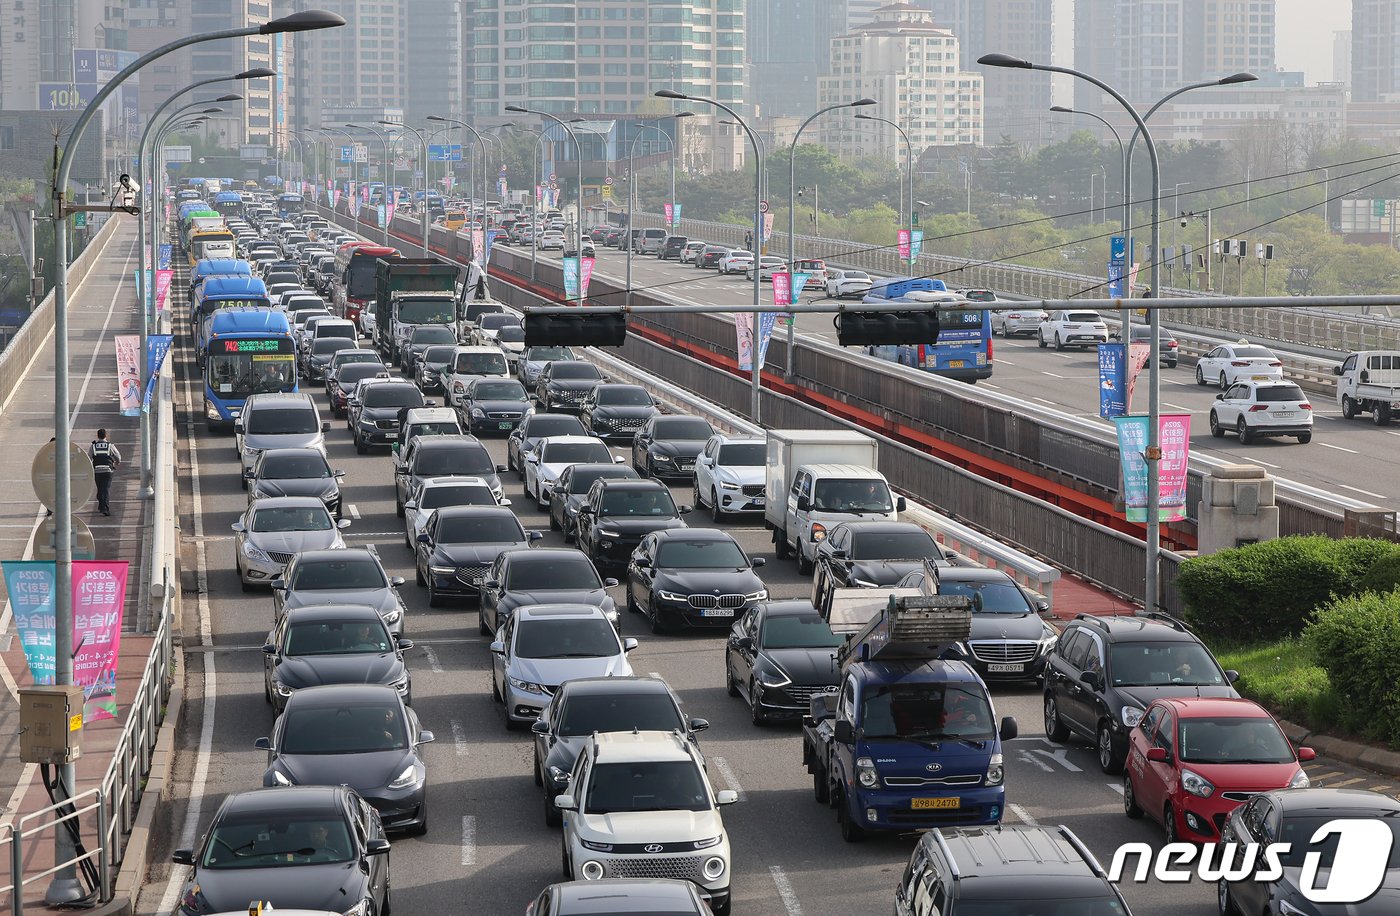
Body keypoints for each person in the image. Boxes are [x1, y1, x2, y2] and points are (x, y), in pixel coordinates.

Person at [89, 429, 121, 516]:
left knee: (100, 489)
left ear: (97, 436)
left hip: (97, 471)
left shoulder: (93, 446)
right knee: (105, 489)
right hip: (108, 471)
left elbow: (89, 458)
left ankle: (101, 506)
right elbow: (118, 456)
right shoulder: (110, 445)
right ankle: (105, 508)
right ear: (105, 435)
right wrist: (116, 463)